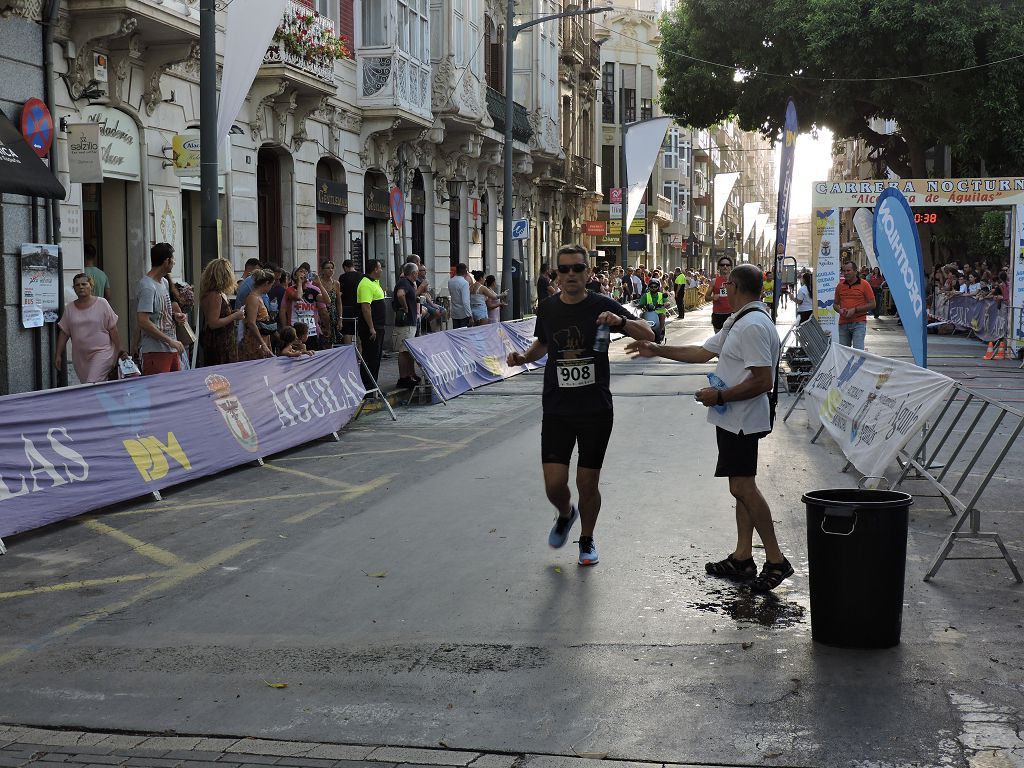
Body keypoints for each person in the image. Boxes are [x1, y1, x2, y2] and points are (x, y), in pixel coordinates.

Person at [625, 263, 791, 592]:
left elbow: (762, 380)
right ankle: (743, 557)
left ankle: (776, 559)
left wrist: (719, 395)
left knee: (743, 488)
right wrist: (657, 349)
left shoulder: (753, 325)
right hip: (732, 418)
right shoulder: (739, 321)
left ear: (737, 287)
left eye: (728, 284)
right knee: (740, 487)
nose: (724, 289)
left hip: (743, 419)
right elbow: (702, 353)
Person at [505, 244, 654, 567]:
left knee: (587, 482)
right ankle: (565, 513)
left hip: (595, 409)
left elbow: (649, 331)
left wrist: (620, 321)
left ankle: (586, 539)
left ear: (588, 273)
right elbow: (543, 343)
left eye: (577, 268)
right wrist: (522, 358)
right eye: (564, 269)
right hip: (557, 407)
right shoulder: (547, 308)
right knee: (554, 484)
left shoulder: (603, 305)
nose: (570, 274)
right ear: (557, 275)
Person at [54, 272, 124, 383]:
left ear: (91, 286)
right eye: (77, 285)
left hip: (102, 352)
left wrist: (120, 348)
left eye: (84, 284)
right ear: (74, 288)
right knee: (91, 386)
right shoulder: (69, 308)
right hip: (81, 358)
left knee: (91, 383)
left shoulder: (102, 303)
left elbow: (113, 328)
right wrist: (58, 354)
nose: (81, 287)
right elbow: (64, 333)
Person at [137, 243, 186, 375]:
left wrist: (175, 316)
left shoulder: (163, 282)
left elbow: (160, 314)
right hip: (155, 350)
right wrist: (170, 341)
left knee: (174, 391)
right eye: (173, 259)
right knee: (158, 393)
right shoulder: (147, 286)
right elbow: (143, 321)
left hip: (171, 348)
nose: (174, 262)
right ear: (166, 261)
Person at [198, 258, 244, 367]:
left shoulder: (215, 293)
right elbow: (213, 323)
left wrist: (232, 313)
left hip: (223, 340)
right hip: (219, 343)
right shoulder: (215, 295)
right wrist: (234, 316)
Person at [357, 259, 387, 391]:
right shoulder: (365, 284)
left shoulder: (374, 282)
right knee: (370, 357)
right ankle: (367, 387)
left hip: (379, 326)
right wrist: (371, 327)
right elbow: (366, 307)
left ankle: (374, 386)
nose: (381, 270)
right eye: (380, 268)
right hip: (371, 328)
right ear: (375, 269)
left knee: (376, 357)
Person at [833, 259, 875, 350]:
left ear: (855, 271)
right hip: (843, 323)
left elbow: (873, 304)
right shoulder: (840, 286)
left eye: (848, 270)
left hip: (859, 323)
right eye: (844, 271)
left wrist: (855, 310)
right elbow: (835, 304)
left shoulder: (865, 284)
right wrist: (839, 310)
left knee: (858, 352)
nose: (846, 273)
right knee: (844, 352)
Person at [280, 264, 323, 350]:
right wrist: (285, 328)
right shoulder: (290, 289)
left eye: (305, 272)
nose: (303, 273)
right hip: (295, 329)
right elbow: (298, 297)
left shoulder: (313, 290)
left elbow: (327, 301)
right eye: (301, 271)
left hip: (311, 330)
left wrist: (320, 284)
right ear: (295, 275)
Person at [393, 263, 420, 389]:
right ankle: (403, 377)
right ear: (413, 273)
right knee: (404, 351)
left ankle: (410, 374)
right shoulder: (404, 282)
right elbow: (400, 294)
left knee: (408, 351)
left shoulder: (409, 283)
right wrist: (405, 307)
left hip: (410, 322)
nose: (418, 275)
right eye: (417, 272)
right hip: (405, 323)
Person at [238, 269, 275, 361]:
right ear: (266, 283)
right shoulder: (253, 298)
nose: (271, 288)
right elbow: (251, 323)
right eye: (271, 285)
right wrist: (262, 344)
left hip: (261, 338)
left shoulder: (258, 297)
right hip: (255, 341)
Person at [315, 260, 342, 348]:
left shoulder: (336, 283)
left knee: (330, 342)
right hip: (320, 314)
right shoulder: (318, 283)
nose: (330, 270)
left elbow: (339, 302)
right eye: (328, 268)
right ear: (322, 270)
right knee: (321, 341)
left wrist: (340, 318)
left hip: (333, 315)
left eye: (332, 268)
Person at [705, 256, 733, 331]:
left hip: (732, 314)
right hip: (718, 315)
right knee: (719, 341)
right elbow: (706, 298)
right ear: (719, 267)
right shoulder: (714, 281)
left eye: (727, 265)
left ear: (731, 267)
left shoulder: (735, 281)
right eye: (722, 265)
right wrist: (712, 297)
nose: (725, 267)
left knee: (731, 341)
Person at [339, 259, 362, 345]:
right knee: (359, 333)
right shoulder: (361, 276)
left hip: (346, 308)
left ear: (345, 267)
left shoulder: (343, 277)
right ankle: (360, 355)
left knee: (347, 332)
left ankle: (349, 354)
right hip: (359, 307)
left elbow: (340, 292)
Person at [638, 278, 668, 343]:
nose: (653, 288)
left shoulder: (661, 295)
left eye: (655, 286)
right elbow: (641, 304)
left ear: (658, 287)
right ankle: (641, 334)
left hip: (659, 314)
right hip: (648, 314)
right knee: (640, 316)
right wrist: (640, 305)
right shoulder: (645, 295)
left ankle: (661, 331)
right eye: (651, 287)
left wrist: (662, 304)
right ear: (649, 287)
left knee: (662, 315)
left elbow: (667, 302)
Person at [448, 263, 472, 328]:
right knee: (464, 335)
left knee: (456, 334)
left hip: (454, 312)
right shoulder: (464, 283)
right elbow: (465, 301)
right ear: (465, 271)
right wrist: (470, 315)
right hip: (463, 313)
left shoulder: (450, 281)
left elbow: (451, 294)